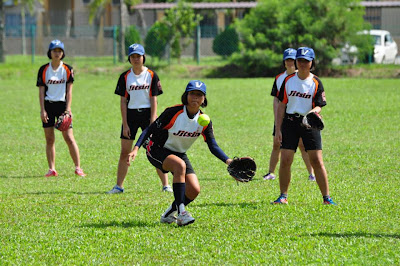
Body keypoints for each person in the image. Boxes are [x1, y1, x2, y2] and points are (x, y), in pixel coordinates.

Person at [127, 80, 233, 226]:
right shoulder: (173, 113)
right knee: (179, 166)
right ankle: (182, 213)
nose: (195, 97)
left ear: (204, 99)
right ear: (186, 96)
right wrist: (136, 148)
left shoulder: (204, 121)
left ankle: (169, 213)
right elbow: (149, 129)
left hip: (179, 153)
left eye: (199, 94)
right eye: (192, 94)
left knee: (194, 190)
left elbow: (213, 145)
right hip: (157, 149)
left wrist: (228, 161)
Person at [272, 47, 336, 205]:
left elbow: (320, 104)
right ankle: (283, 196)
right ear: (296, 62)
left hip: (309, 124)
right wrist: (278, 128)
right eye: (299, 60)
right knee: (286, 159)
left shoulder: (315, 82)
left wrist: (313, 112)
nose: (302, 63)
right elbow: (281, 105)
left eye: (306, 61)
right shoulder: (288, 80)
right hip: (290, 122)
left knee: (316, 160)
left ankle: (326, 198)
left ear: (312, 63)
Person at [107, 44, 171, 194]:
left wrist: (152, 120)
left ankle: (166, 185)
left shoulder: (151, 75)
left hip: (148, 115)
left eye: (138, 56)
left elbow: (153, 99)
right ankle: (118, 186)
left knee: (155, 150)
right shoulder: (125, 77)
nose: (136, 59)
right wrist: (125, 124)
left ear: (143, 57)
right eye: (133, 56)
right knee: (125, 152)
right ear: (129, 58)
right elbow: (123, 101)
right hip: (131, 116)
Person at [36, 40, 86, 177]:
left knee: (69, 137)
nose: (57, 53)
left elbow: (69, 91)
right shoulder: (44, 69)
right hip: (48, 105)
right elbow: (41, 91)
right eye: (54, 51)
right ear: (50, 53)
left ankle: (78, 168)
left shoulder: (67, 69)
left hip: (62, 106)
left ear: (63, 53)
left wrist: (68, 110)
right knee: (49, 139)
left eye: (59, 51)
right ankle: (52, 169)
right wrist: (42, 110)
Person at [264, 48, 315, 181]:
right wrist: (277, 118)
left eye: (292, 59)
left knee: (302, 145)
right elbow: (277, 100)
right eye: (288, 59)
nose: (290, 62)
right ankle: (271, 172)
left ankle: (312, 173)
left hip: (297, 117)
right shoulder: (280, 78)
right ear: (284, 61)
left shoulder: (302, 77)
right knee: (277, 144)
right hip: (283, 117)